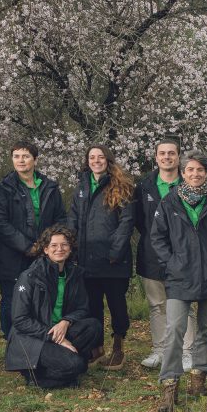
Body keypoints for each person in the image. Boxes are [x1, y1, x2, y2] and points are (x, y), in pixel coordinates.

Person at [150, 151, 207, 412]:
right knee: (175, 329)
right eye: (190, 170)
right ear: (183, 172)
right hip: (180, 276)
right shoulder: (170, 202)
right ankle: (169, 385)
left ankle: (199, 378)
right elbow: (158, 238)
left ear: (206, 173)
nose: (195, 174)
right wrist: (173, 262)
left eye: (200, 170)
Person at [4, 225, 103, 389]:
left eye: (64, 245)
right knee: (78, 365)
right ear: (45, 249)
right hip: (33, 338)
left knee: (94, 326)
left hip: (59, 329)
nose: (60, 249)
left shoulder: (74, 273)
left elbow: (83, 308)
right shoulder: (30, 277)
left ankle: (62, 368)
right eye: (54, 245)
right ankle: (37, 377)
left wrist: (66, 321)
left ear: (70, 248)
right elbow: (20, 320)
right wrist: (55, 337)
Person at [0, 141, 66, 340]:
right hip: (11, 254)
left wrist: (48, 245)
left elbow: (60, 218)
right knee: (12, 299)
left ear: (35, 160)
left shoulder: (50, 187)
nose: (21, 160)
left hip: (44, 254)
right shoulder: (2, 188)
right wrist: (28, 246)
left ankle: (38, 340)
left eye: (25, 156)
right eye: (16, 156)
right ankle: (12, 341)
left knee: (41, 297)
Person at [67, 146, 136, 368]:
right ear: (87, 161)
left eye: (101, 157)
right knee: (92, 305)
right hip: (87, 260)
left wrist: (115, 252)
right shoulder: (81, 187)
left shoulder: (122, 186)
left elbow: (126, 223)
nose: (96, 161)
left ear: (108, 160)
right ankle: (96, 349)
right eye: (92, 157)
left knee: (117, 305)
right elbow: (74, 219)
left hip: (113, 260)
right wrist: (71, 246)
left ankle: (118, 348)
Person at [135, 138, 195, 370]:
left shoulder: (189, 184)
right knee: (157, 305)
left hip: (183, 255)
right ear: (156, 157)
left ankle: (187, 351)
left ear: (178, 157)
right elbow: (140, 221)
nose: (167, 157)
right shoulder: (144, 186)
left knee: (185, 304)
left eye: (172, 153)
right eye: (162, 153)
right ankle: (159, 350)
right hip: (151, 254)